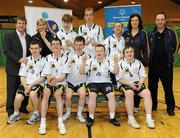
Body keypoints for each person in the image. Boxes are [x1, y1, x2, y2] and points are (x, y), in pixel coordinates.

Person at [80, 44, 120, 127]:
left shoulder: (109, 61)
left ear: (104, 52)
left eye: (101, 51)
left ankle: (112, 117)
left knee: (111, 95)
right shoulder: (90, 61)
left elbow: (116, 72)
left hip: (106, 82)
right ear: (94, 52)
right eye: (97, 51)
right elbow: (82, 72)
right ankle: (91, 117)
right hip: (92, 82)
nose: (99, 53)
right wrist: (83, 63)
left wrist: (116, 62)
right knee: (92, 95)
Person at [7, 41, 45, 125]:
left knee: (32, 94)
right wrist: (25, 87)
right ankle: (16, 114)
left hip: (38, 84)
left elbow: (42, 78)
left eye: (36, 48)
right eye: (32, 48)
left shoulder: (44, 60)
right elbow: (22, 76)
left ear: (40, 49)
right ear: (29, 49)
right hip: (26, 84)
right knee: (18, 97)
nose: (34, 50)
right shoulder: (26, 60)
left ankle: (36, 114)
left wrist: (30, 86)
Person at [116, 46, 155, 129]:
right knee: (129, 93)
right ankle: (131, 118)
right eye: (127, 52)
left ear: (134, 53)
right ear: (124, 55)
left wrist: (140, 84)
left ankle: (149, 118)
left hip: (137, 83)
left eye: (131, 51)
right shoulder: (120, 64)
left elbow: (143, 75)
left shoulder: (138, 63)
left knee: (147, 93)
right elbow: (119, 79)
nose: (129, 53)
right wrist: (130, 84)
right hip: (124, 83)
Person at [148, 12, 177, 116]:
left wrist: (169, 57)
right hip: (153, 65)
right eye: (158, 20)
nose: (160, 21)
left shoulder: (171, 33)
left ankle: (170, 108)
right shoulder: (150, 34)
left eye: (162, 19)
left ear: (165, 20)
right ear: (155, 21)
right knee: (152, 87)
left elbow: (175, 46)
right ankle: (153, 105)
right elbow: (148, 49)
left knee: (168, 87)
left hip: (166, 65)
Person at [39, 38, 70, 135]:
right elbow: (47, 75)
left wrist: (56, 80)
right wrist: (50, 80)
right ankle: (42, 123)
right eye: (53, 44)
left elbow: (63, 76)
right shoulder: (47, 58)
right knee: (46, 93)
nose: (55, 46)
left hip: (60, 82)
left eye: (57, 44)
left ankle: (60, 123)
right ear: (51, 46)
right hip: (49, 82)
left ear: (61, 46)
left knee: (58, 94)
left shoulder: (66, 58)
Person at [3, 16, 31, 116]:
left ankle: (23, 107)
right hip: (13, 69)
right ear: (16, 24)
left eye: (23, 23)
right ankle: (10, 110)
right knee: (12, 90)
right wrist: (18, 60)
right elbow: (6, 50)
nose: (21, 25)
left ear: (25, 25)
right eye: (19, 23)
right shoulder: (9, 35)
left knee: (25, 88)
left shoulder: (28, 37)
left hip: (26, 70)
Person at [123, 13, 149, 112]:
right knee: (128, 82)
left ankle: (136, 105)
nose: (134, 22)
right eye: (132, 20)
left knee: (138, 82)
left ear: (139, 22)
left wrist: (145, 61)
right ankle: (128, 103)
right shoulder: (126, 34)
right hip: (126, 62)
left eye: (136, 20)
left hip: (138, 62)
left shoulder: (143, 34)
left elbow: (146, 48)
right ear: (130, 22)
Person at [63, 36, 91, 123]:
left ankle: (79, 114)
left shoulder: (88, 56)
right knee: (68, 96)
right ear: (74, 45)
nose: (78, 47)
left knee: (82, 94)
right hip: (70, 81)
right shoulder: (68, 54)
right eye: (76, 44)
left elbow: (83, 72)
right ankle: (68, 112)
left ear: (84, 45)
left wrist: (83, 62)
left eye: (80, 45)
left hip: (81, 81)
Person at [104, 22, 125, 87]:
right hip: (111, 63)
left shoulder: (124, 39)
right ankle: (114, 84)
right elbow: (103, 52)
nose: (118, 28)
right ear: (113, 29)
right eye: (116, 26)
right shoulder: (108, 39)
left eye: (119, 26)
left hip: (122, 62)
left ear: (122, 29)